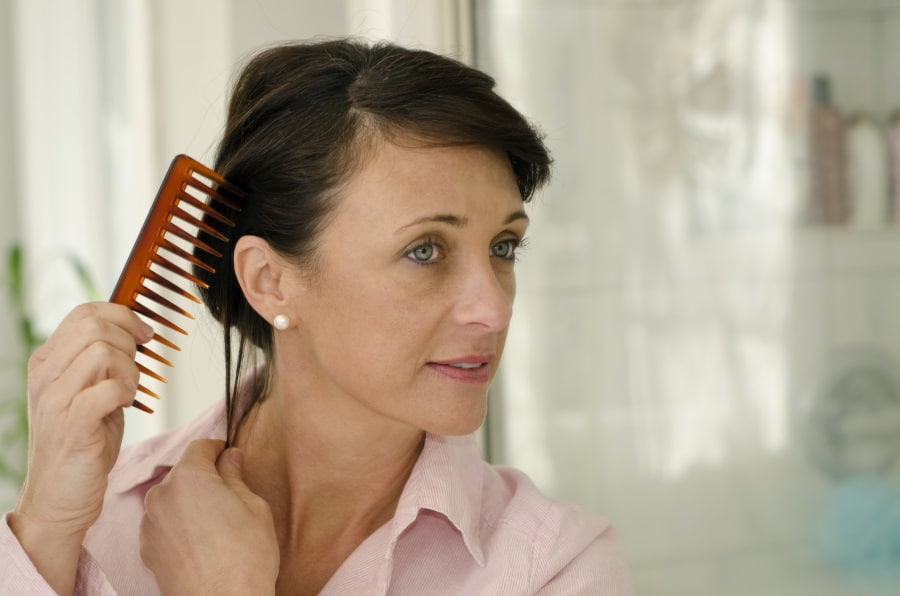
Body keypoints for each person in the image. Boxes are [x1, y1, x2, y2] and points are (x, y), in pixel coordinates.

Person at [1, 38, 633, 595]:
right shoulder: (93, 528)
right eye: (425, 250)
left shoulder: (553, 569)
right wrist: (47, 528)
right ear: (270, 281)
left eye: (503, 247)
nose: (493, 309)